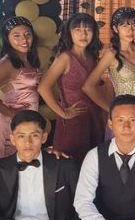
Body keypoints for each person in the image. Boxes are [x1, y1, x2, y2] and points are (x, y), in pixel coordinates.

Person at [39, 13, 106, 160]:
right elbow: (43, 87)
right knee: (72, 165)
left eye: (88, 29)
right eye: (77, 29)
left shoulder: (91, 56)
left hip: (93, 117)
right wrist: (63, 112)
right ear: (69, 33)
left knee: (93, 165)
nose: (83, 34)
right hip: (73, 121)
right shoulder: (65, 57)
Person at [83, 7, 135, 142]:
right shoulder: (111, 54)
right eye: (124, 25)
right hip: (123, 111)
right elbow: (88, 86)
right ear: (115, 29)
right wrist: (111, 109)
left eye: (134, 25)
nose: (130, 30)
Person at [0, 16, 41, 159]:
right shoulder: (7, 63)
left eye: (27, 34)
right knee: (9, 175)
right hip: (10, 128)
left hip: (28, 126)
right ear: (7, 39)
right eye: (16, 36)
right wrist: (10, 112)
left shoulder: (29, 60)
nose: (24, 40)